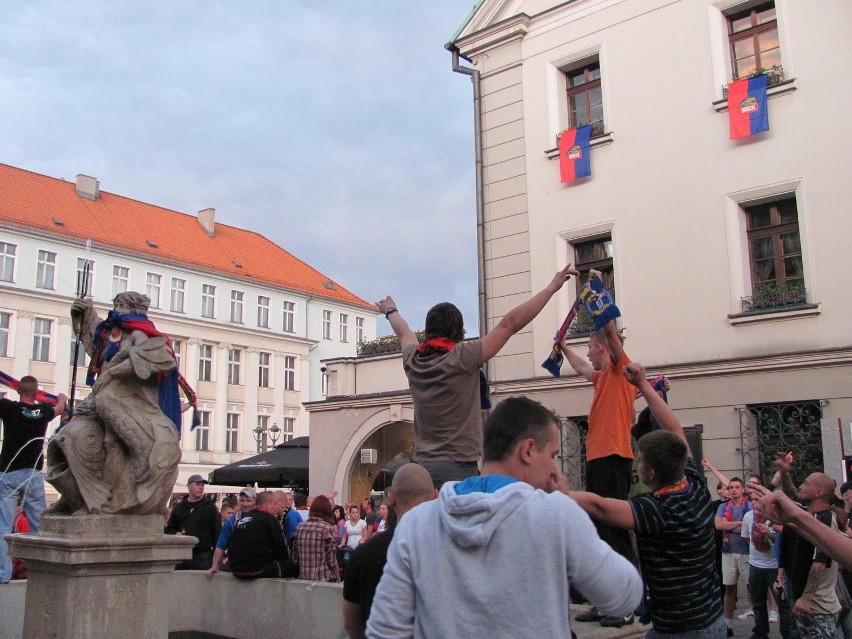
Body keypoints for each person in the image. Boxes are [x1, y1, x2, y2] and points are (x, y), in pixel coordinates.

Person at [366, 396, 642, 639]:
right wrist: (566, 506)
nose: (553, 469)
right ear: (529, 450)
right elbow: (623, 597)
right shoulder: (556, 514)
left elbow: (386, 630)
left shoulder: (416, 524)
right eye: (553, 455)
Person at [376, 264, 579, 488]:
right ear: (461, 334)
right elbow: (510, 324)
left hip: (422, 467)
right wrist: (552, 287)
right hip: (459, 466)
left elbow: (404, 331)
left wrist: (390, 310)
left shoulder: (413, 360)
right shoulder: (463, 356)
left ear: (428, 332)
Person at [569, 362, 726, 638]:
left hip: (679, 631)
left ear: (649, 473)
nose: (636, 463)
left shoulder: (657, 510)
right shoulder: (696, 486)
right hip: (711, 620)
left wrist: (550, 488)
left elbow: (600, 506)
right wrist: (643, 384)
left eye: (639, 460)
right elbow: (674, 426)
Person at [46, 292, 182, 515]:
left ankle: (106, 501)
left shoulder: (139, 333)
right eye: (115, 304)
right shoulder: (113, 334)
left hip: (129, 401)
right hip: (100, 398)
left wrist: (121, 368)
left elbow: (160, 357)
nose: (116, 309)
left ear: (131, 308)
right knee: (68, 436)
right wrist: (84, 313)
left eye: (119, 305)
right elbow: (94, 345)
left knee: (112, 441)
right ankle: (75, 497)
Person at [558, 270, 636, 626]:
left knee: (615, 531)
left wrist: (599, 288)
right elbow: (577, 368)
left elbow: (611, 334)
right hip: (600, 458)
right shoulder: (602, 378)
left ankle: (625, 603)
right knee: (600, 531)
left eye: (590, 349)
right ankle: (607, 601)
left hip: (615, 456)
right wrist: (563, 348)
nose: (588, 355)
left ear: (602, 347)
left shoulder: (621, 369)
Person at [343, 464, 437, 639]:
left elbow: (351, 623)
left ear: (391, 499)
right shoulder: (447, 549)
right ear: (435, 496)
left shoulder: (364, 554)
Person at [0, 375, 66, 584]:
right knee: (39, 525)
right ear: (36, 393)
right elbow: (60, 407)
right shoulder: (43, 412)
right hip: (33, 475)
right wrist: (62, 398)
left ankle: (3, 574)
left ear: (19, 391)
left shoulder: (8, 408)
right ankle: (42, 572)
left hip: (8, 472)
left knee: (2, 526)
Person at [226, 491, 297, 580]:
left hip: (235, 570)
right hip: (256, 570)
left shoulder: (242, 519)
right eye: (274, 504)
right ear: (267, 504)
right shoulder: (270, 520)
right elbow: (282, 550)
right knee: (293, 566)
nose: (276, 508)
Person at [716, 476, 752, 634]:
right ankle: (728, 625)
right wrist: (739, 525)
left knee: (752, 588)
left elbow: (750, 527)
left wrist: (729, 525)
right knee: (729, 588)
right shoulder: (723, 507)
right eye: (731, 487)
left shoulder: (749, 506)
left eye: (737, 487)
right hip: (728, 551)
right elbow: (718, 525)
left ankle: (759, 625)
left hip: (746, 551)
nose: (733, 490)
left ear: (743, 489)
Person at [164, 474, 221, 570]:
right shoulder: (179, 507)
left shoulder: (210, 507)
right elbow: (169, 529)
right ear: (189, 486)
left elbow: (217, 531)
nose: (200, 487)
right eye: (197, 484)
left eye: (202, 485)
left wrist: (215, 557)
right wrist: (175, 533)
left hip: (203, 553)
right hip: (182, 553)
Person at [742, 501, 779, 639]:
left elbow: (780, 539)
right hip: (755, 564)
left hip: (774, 565)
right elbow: (746, 537)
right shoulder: (747, 517)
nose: (755, 505)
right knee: (758, 602)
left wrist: (767, 533)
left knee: (783, 603)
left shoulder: (775, 517)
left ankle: (787, 632)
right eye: (753, 501)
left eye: (758, 501)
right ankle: (760, 632)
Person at [207, 487, 256, 578]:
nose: (245, 504)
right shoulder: (231, 521)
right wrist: (214, 565)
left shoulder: (262, 518)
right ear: (239, 501)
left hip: (257, 568)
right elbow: (221, 545)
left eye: (248, 500)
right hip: (236, 567)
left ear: (254, 501)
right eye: (242, 500)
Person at [293, 495, 339, 582]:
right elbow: (332, 560)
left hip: (304, 577)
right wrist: (338, 578)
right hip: (323, 577)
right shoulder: (326, 528)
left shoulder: (300, 527)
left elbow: (296, 556)